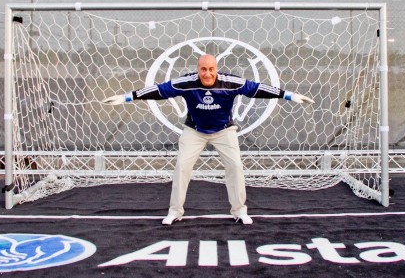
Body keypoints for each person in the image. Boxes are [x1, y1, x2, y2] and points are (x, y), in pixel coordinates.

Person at [104, 54, 312, 225]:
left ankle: (239, 211)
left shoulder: (231, 82)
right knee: (182, 166)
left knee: (235, 167)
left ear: (216, 69)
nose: (207, 73)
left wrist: (289, 95)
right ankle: (175, 211)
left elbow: (256, 88)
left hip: (224, 131)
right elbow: (159, 90)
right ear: (198, 70)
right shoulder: (186, 83)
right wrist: (125, 97)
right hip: (194, 131)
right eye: (203, 69)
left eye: (211, 69)